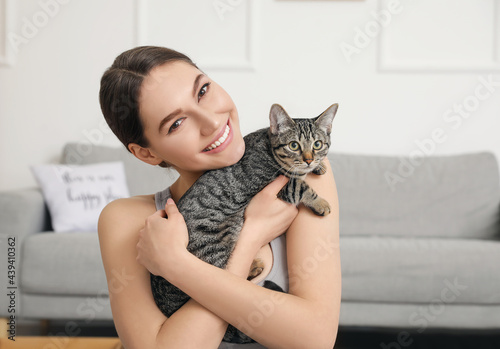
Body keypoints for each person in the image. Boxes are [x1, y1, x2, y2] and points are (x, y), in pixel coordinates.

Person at [97, 46, 341, 349]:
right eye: (176, 123)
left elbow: (316, 340)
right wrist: (250, 238)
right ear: (147, 153)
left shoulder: (304, 171)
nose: (212, 122)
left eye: (202, 91)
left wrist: (176, 264)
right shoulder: (125, 219)